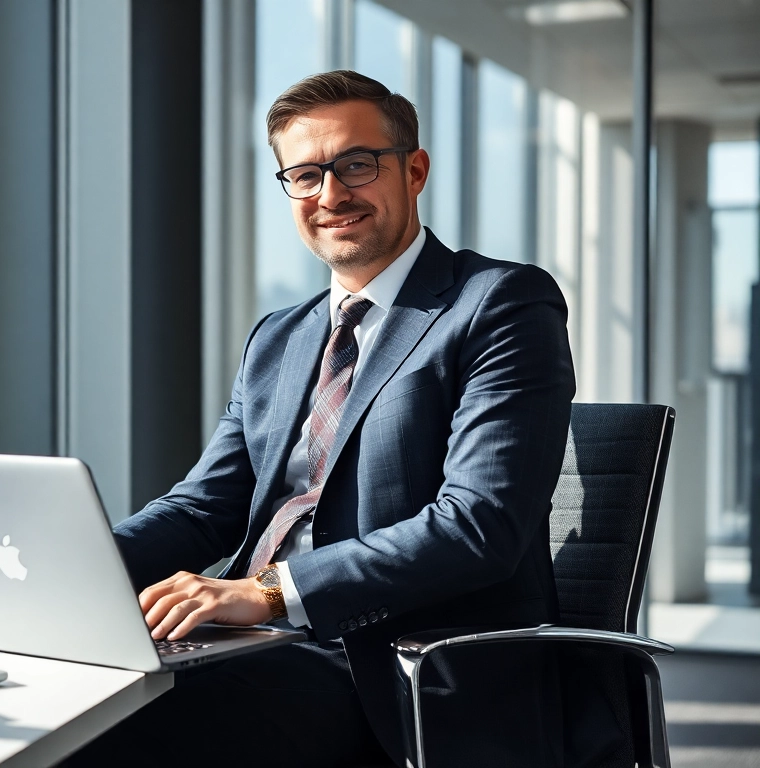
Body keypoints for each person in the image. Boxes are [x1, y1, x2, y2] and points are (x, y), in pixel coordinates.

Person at [68, 70, 575, 766]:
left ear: (414, 170)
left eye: (356, 165)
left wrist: (271, 593)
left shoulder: (498, 304)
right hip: (256, 649)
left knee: (108, 730)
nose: (331, 195)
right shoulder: (280, 336)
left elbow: (479, 525)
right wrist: (75, 571)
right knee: (59, 688)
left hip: (399, 671)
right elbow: (203, 509)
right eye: (305, 175)